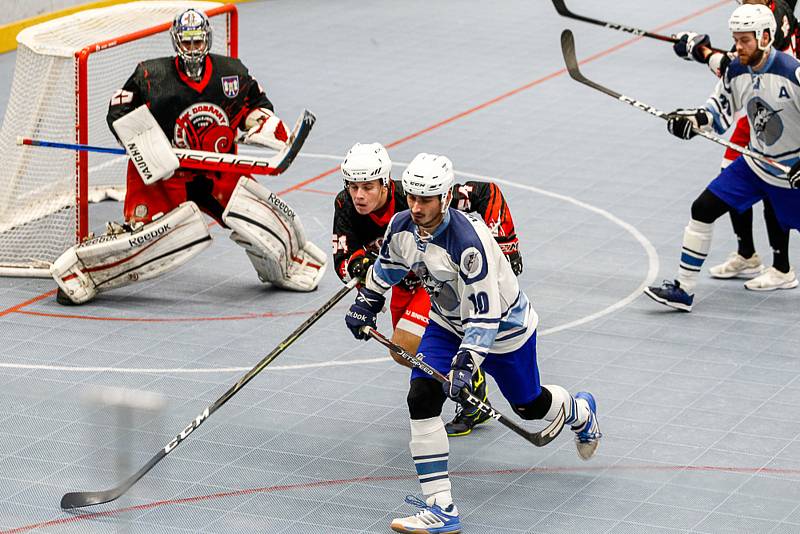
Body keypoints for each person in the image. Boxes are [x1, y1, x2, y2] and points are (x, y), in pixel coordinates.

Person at [344, 152, 601, 533]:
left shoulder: (468, 243)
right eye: (412, 197)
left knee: (530, 406)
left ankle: (580, 411)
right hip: (446, 324)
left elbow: (484, 318)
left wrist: (465, 366)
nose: (415, 207)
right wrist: (368, 300)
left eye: (425, 199)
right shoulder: (403, 225)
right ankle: (441, 506)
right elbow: (389, 266)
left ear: (445, 197)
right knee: (422, 397)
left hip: (504, 332)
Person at [50, 8, 326, 305]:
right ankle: (81, 272)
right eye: (187, 43)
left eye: (197, 42)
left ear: (206, 40)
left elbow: (256, 102)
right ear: (176, 42)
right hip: (165, 176)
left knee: (267, 224)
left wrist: (259, 123)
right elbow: (119, 109)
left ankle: (287, 266)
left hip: (218, 174)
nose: (193, 49)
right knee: (143, 243)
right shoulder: (150, 75)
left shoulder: (231, 72)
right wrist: (146, 146)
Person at [333, 142, 522, 437]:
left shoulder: (414, 197)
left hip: (437, 281)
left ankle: (470, 381)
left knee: (409, 341)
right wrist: (366, 283)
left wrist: (506, 244)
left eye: (368, 187)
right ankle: (472, 385)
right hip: (403, 283)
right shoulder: (345, 205)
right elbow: (344, 260)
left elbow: (487, 193)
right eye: (353, 186)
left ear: (385, 183)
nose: (359, 195)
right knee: (402, 351)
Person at [646, 3, 800, 311]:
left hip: (790, 170)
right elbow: (718, 111)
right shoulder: (737, 69)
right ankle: (683, 290)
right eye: (736, 38)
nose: (738, 47)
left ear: (766, 37)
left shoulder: (792, 72)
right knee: (702, 208)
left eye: (745, 40)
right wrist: (691, 122)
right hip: (756, 165)